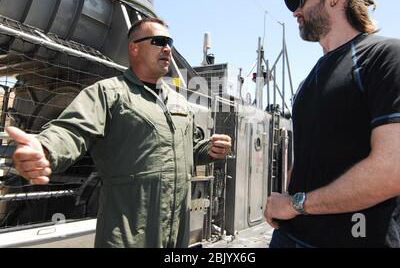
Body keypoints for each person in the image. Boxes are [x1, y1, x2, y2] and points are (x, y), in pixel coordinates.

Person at [6, 17, 232, 248]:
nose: (167, 48)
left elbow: (191, 149)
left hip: (176, 235)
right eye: (159, 41)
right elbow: (72, 129)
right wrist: (45, 149)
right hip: (128, 236)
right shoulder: (109, 93)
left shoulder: (179, 103)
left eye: (170, 42)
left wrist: (212, 150)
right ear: (134, 47)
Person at [264, 0, 400, 247]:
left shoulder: (387, 55)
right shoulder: (309, 79)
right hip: (291, 235)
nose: (295, 11)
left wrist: (296, 204)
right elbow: (307, 155)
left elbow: (395, 172)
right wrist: (288, 200)